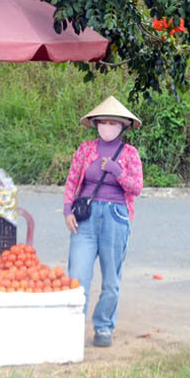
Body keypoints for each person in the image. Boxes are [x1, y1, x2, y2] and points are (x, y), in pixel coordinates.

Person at [62, 95, 145, 349]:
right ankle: (73, 327)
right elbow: (72, 180)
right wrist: (67, 210)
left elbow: (136, 187)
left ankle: (104, 327)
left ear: (122, 126)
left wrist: (117, 171)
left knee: (111, 279)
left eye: (113, 123)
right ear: (96, 124)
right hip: (85, 216)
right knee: (78, 276)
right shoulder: (85, 150)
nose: (108, 127)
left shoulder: (129, 154)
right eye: (104, 122)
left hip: (115, 215)